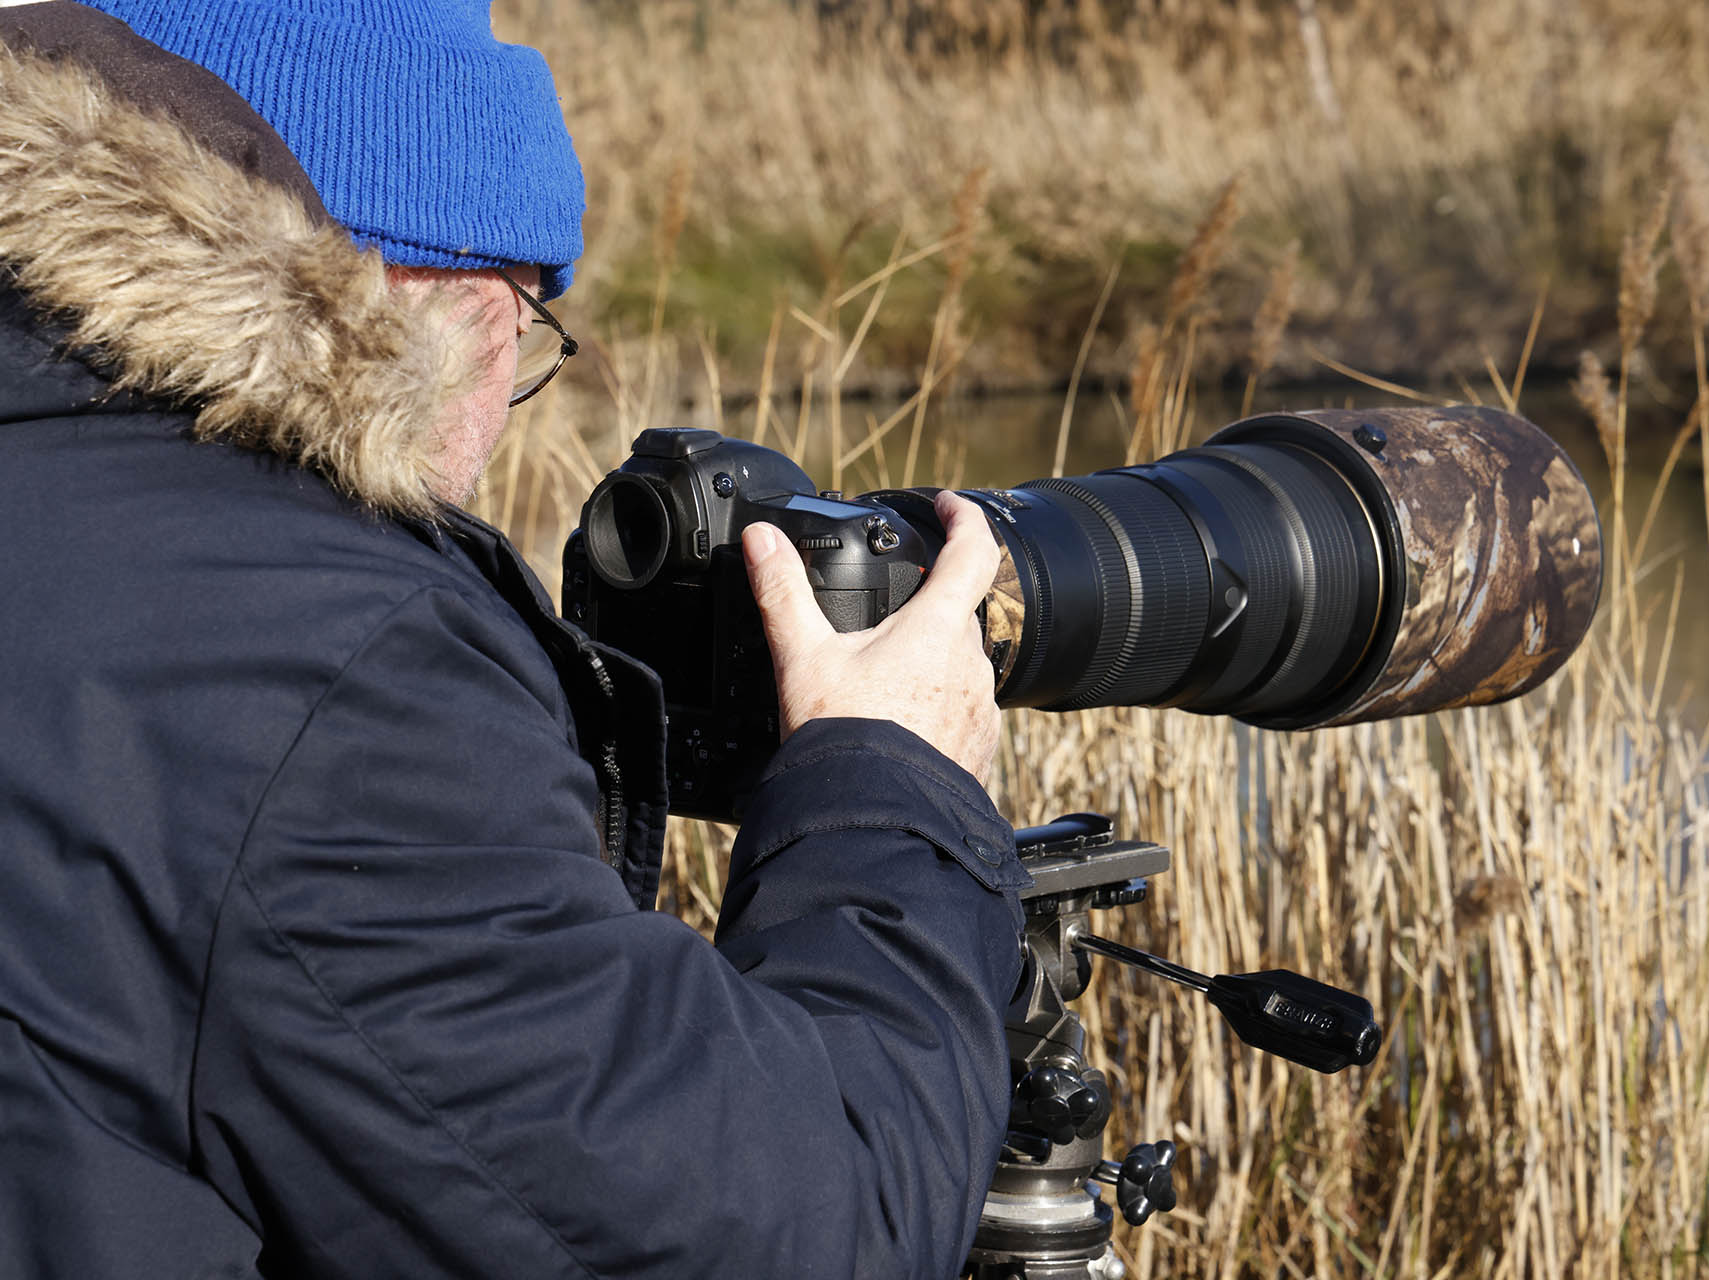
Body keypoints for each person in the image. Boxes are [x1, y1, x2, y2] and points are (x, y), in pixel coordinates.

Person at [0, 3, 1028, 1276]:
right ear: (409, 290)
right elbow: (800, 1228)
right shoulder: (326, 686)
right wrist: (893, 786)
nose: (507, 413)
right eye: (528, 322)